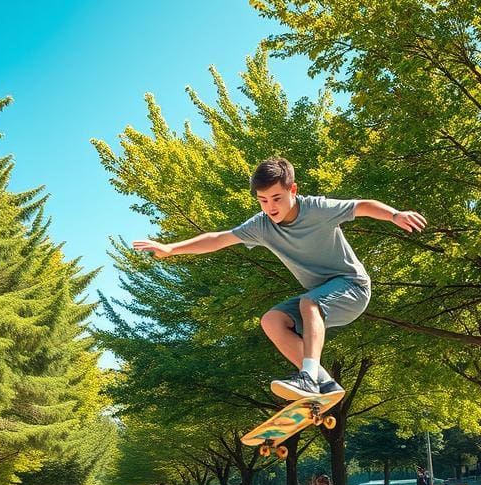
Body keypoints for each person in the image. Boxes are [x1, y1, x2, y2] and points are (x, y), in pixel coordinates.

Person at [133, 157, 426, 401]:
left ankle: (308, 377)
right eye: (262, 200)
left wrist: (395, 214)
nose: (270, 207)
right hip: (322, 294)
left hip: (353, 287)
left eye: (276, 198)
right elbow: (219, 239)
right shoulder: (261, 226)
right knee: (271, 321)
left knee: (309, 303)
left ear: (293, 190)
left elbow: (362, 205)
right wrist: (172, 249)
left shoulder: (317, 209)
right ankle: (325, 384)